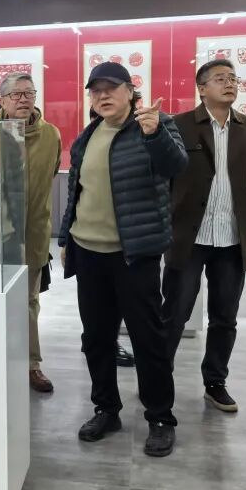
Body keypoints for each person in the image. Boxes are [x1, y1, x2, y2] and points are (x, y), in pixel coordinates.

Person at [58, 62, 187, 457]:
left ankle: (160, 417)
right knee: (96, 338)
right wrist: (65, 237)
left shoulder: (155, 125)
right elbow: (76, 190)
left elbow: (177, 166)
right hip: (88, 251)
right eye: (95, 90)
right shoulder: (89, 134)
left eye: (111, 88)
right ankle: (106, 409)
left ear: (130, 92)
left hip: (134, 255)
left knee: (148, 339)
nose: (102, 96)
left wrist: (154, 134)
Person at [162, 59, 246, 413]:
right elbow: (166, 177)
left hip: (232, 238)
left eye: (233, 78)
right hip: (188, 236)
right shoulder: (178, 125)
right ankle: (159, 378)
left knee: (225, 316)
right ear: (201, 88)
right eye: (220, 79)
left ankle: (215, 382)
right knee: (174, 313)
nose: (230, 83)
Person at [0, 73, 61, 393]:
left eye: (29, 93)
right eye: (16, 94)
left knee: (29, 301)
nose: (23, 99)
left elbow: (51, 173)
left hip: (33, 232)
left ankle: (31, 364)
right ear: (2, 100)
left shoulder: (50, 135)